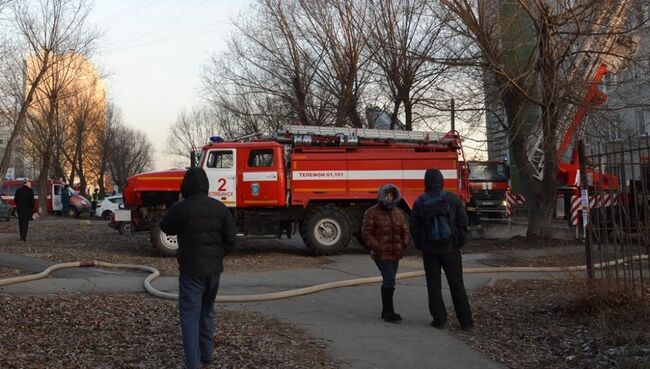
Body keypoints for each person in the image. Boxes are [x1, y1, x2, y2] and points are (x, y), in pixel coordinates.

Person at [159, 167, 236, 369]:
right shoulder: (220, 208)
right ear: (206, 185)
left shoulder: (181, 209)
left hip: (191, 272)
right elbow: (230, 241)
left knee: (190, 316)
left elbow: (165, 227)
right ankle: (206, 354)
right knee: (206, 311)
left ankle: (193, 363)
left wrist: (177, 203)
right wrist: (217, 257)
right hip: (214, 272)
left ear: (186, 186)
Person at [410, 168, 473, 330]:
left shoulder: (420, 202)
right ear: (441, 181)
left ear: (426, 182)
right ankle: (465, 322)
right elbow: (463, 223)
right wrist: (458, 243)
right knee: (457, 284)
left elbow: (414, 228)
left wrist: (421, 245)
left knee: (433, 285)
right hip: (450, 249)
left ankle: (439, 319)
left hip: (430, 251)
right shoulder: (452, 199)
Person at [361, 184, 410, 323]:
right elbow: (366, 234)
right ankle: (389, 312)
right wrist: (378, 246)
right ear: (381, 196)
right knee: (389, 279)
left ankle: (385, 311)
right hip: (381, 254)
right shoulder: (371, 213)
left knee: (390, 280)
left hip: (396, 253)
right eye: (386, 195)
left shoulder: (398, 212)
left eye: (391, 195)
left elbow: (405, 229)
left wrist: (405, 242)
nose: (389, 198)